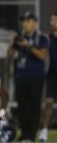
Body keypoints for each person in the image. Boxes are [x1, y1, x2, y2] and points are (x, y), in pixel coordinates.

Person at [7, 11, 49, 142]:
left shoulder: (41, 38)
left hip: (36, 76)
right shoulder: (19, 37)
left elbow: (42, 56)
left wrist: (28, 46)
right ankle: (24, 134)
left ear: (35, 23)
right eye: (24, 21)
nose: (25, 24)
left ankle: (31, 135)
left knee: (34, 106)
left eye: (28, 21)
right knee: (22, 106)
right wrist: (12, 43)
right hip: (21, 75)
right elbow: (9, 55)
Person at [39, 12, 57, 141]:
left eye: (55, 20)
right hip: (52, 75)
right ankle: (44, 130)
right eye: (52, 20)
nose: (53, 22)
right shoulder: (47, 39)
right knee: (49, 102)